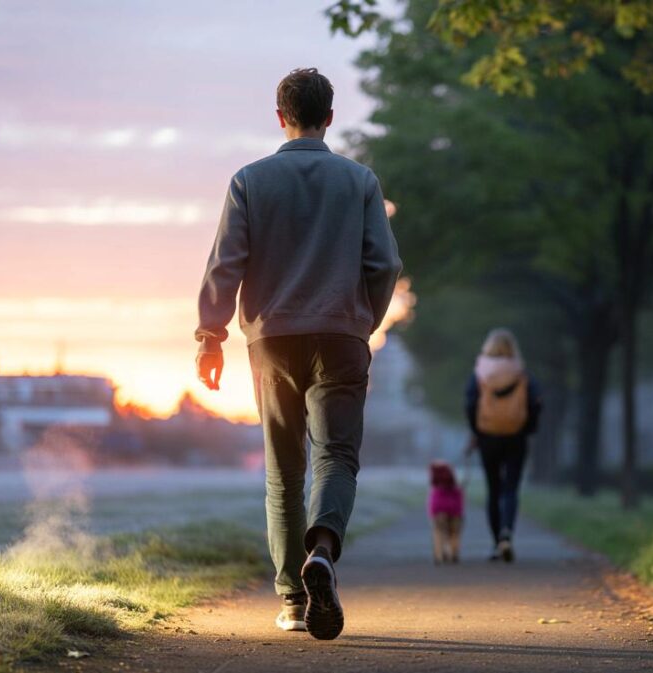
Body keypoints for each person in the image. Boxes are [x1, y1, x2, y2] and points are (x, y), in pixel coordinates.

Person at [194, 68, 401, 641]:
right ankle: (323, 552)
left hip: (273, 341)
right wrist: (362, 321)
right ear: (330, 117)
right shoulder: (360, 181)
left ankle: (291, 600)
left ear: (280, 116)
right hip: (341, 335)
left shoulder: (249, 181)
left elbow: (226, 264)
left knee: (284, 469)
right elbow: (385, 264)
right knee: (336, 455)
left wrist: (210, 336)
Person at [464, 328, 541, 562]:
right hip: (516, 436)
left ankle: (497, 543)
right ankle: (507, 531)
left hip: (488, 436)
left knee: (494, 488)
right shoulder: (521, 372)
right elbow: (536, 403)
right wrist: (528, 428)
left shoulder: (480, 373)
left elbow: (470, 403)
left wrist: (476, 431)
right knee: (511, 488)